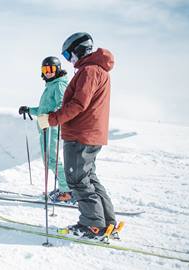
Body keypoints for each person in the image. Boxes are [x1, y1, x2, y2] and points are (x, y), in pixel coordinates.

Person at [36, 32, 117, 239]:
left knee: (78, 180)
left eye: (68, 55)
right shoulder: (98, 71)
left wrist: (52, 119)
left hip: (81, 134)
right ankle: (106, 221)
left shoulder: (89, 71)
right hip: (90, 133)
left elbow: (78, 104)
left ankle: (92, 225)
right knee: (89, 178)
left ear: (79, 50)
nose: (69, 60)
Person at [18, 56, 73, 203]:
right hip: (45, 126)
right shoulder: (51, 85)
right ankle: (64, 187)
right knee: (49, 159)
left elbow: (62, 106)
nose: (48, 72)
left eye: (51, 69)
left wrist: (50, 117)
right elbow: (44, 109)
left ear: (58, 69)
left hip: (51, 127)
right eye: (45, 69)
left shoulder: (59, 85)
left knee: (52, 160)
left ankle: (67, 191)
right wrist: (29, 110)